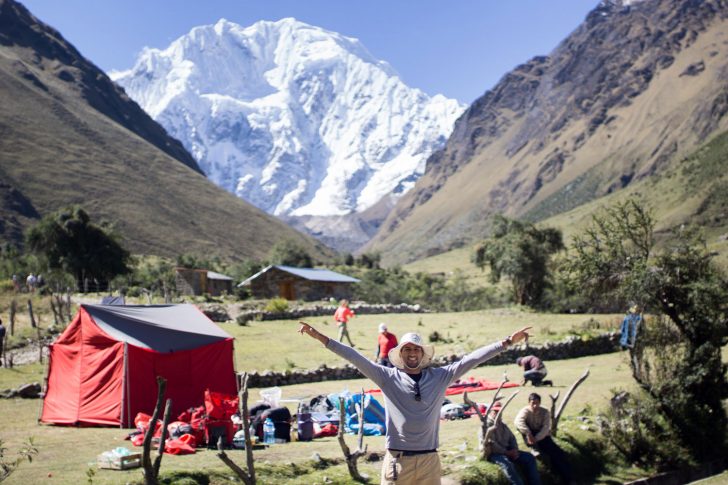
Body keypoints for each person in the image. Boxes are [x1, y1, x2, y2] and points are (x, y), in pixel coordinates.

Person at [299, 320, 532, 485]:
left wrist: (507, 342)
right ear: (401, 354)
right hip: (398, 461)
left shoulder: (441, 376)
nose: (411, 353)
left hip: (430, 460)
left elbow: (472, 359)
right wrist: (322, 338)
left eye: (416, 349)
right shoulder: (386, 377)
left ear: (422, 354)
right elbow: (354, 357)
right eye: (407, 349)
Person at [514, 393, 572, 484]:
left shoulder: (545, 412)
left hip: (542, 437)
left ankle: (567, 479)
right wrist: (528, 433)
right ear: (529, 403)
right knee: (524, 428)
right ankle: (534, 447)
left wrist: (536, 439)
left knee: (558, 454)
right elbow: (518, 422)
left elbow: (546, 428)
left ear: (540, 403)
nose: (535, 405)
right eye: (532, 403)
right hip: (529, 435)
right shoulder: (525, 411)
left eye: (537, 403)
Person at [486, 401, 541, 485]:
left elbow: (512, 438)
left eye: (499, 411)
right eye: (495, 411)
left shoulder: (502, 424)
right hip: (495, 454)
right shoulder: (487, 425)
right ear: (491, 411)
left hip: (508, 451)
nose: (498, 414)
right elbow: (492, 444)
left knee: (529, 458)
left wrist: (514, 449)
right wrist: (507, 452)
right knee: (508, 465)